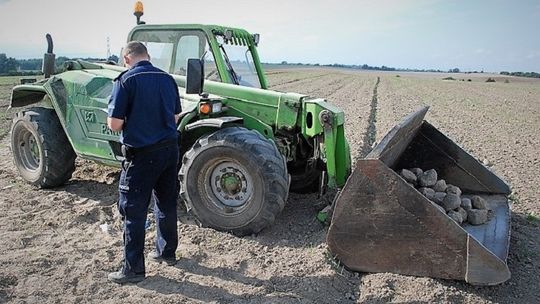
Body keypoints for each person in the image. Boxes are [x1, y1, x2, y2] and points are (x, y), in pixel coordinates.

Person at [107, 41, 181, 284]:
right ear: (147, 56)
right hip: (170, 151)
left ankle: (133, 270)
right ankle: (166, 252)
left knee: (133, 212)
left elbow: (114, 124)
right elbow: (175, 115)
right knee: (166, 203)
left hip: (142, 155)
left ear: (127, 58)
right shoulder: (168, 79)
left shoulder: (126, 81)